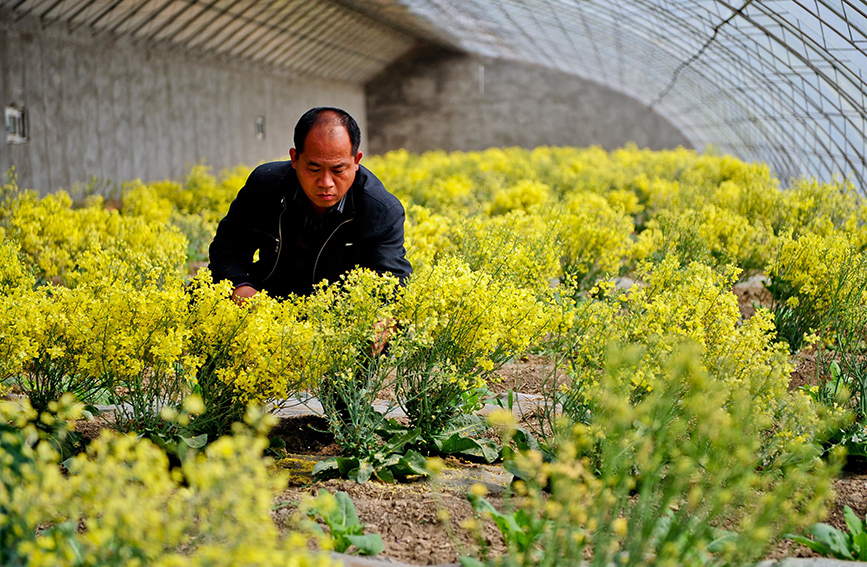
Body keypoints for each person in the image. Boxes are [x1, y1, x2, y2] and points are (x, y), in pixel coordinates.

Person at [208, 107, 412, 301]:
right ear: (294, 158)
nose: (326, 183)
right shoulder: (265, 186)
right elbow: (227, 246)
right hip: (265, 303)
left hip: (337, 318)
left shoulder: (381, 210)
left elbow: (392, 281)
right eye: (313, 169)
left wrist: (380, 321)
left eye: (338, 170)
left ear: (356, 161)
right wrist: (240, 287)